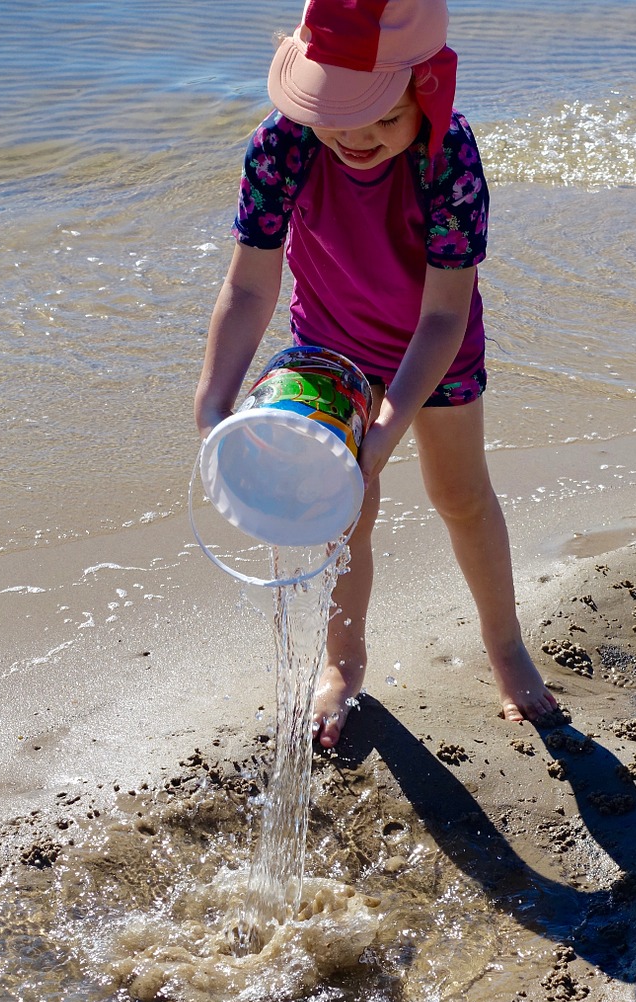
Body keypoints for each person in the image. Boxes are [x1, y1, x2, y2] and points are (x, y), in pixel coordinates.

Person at [195, 0, 558, 748]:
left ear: (426, 92)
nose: (358, 139)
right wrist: (213, 400)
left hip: (435, 347)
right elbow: (251, 286)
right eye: (339, 117)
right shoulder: (283, 144)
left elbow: (443, 316)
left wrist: (387, 430)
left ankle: (506, 646)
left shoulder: (448, 155)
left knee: (459, 495)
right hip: (329, 347)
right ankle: (344, 663)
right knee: (340, 515)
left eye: (384, 120)